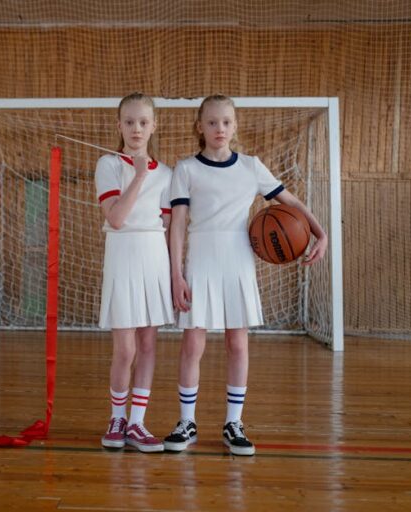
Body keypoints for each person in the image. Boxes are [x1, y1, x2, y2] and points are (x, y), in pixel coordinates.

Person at [163, 94, 327, 455]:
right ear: (200, 126)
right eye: (211, 122)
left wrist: (320, 232)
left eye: (226, 122)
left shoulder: (251, 166)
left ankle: (233, 423)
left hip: (239, 259)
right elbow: (177, 226)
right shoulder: (186, 169)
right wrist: (176, 274)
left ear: (235, 126)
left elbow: (292, 203)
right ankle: (186, 422)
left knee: (238, 343)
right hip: (201, 258)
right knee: (193, 344)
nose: (219, 128)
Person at [95, 93, 174, 453]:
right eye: (129, 122)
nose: (136, 129)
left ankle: (138, 423)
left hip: (153, 257)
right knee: (125, 349)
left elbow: (170, 226)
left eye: (143, 122)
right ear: (119, 125)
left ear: (153, 126)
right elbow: (115, 218)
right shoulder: (108, 165)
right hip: (123, 255)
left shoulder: (168, 174)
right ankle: (116, 418)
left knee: (147, 345)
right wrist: (139, 177)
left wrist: (176, 274)